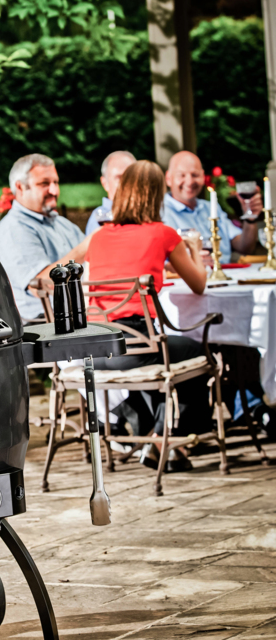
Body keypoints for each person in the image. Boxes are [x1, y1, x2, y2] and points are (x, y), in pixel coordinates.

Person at [85, 160, 210, 472]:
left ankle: (160, 440)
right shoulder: (162, 233)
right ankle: (168, 438)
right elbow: (198, 284)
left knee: (163, 352)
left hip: (96, 349)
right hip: (136, 348)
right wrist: (194, 248)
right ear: (157, 195)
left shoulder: (98, 236)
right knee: (197, 353)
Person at [0, 153, 89, 321]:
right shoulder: (14, 229)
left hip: (76, 317)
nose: (54, 190)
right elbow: (41, 285)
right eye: (44, 183)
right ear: (20, 187)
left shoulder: (62, 224)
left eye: (56, 182)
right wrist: (86, 248)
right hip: (40, 327)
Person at [162, 150, 262, 262]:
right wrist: (188, 263)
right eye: (182, 175)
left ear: (203, 176)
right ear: (168, 178)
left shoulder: (211, 208)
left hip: (225, 271)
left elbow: (245, 248)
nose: (189, 182)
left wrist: (250, 217)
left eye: (195, 175)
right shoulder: (158, 213)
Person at [85, 150, 136, 236]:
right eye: (119, 178)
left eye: (132, 177)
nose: (127, 182)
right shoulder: (99, 219)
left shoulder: (150, 211)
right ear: (105, 183)